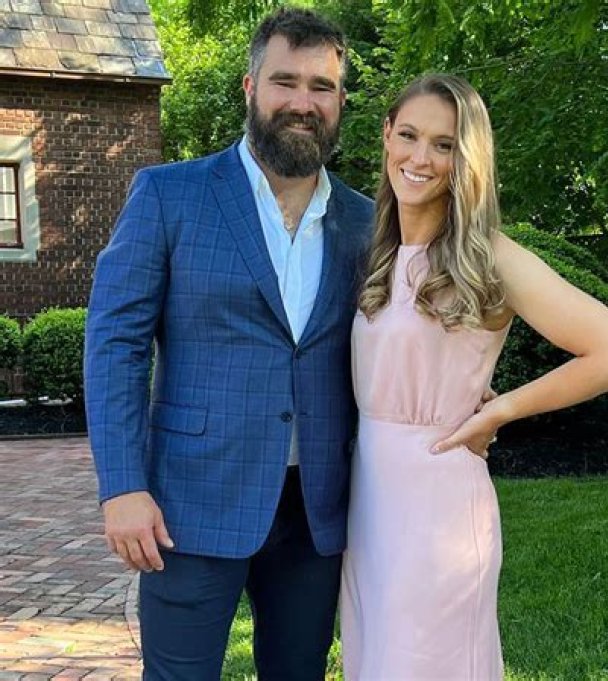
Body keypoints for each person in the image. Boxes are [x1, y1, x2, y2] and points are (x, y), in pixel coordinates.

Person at [84, 8, 372, 680]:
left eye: (322, 87)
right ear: (250, 88)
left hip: (317, 512)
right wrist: (122, 485)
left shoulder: (365, 220)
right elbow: (115, 344)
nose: (303, 102)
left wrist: (464, 388)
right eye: (285, 81)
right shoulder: (170, 195)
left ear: (339, 101)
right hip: (190, 503)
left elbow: (396, 337)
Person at [340, 74, 608, 680]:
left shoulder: (489, 254)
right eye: (409, 135)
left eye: (444, 145)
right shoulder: (378, 250)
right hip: (369, 500)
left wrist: (499, 410)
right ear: (386, 135)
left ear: (468, 158)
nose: (420, 158)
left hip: (439, 507)